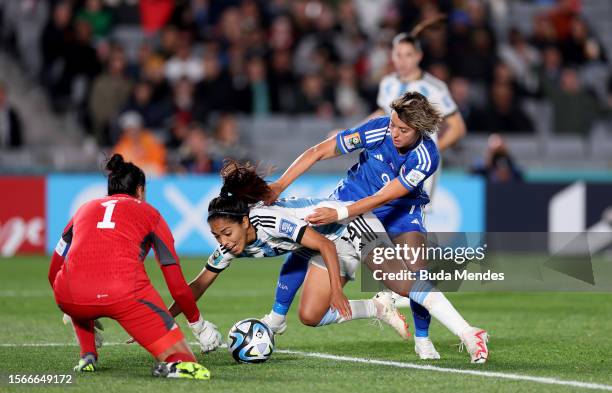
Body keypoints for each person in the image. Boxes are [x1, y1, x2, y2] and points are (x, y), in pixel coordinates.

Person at [263, 92, 488, 363]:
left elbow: (384, 197)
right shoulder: (378, 128)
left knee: (415, 273)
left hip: (399, 214)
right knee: (310, 312)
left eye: (402, 129)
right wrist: (279, 184)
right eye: (393, 124)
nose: (393, 132)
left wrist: (339, 211)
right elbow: (319, 151)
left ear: (419, 130)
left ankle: (427, 339)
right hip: (350, 210)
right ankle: (375, 307)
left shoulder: (427, 157)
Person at [167, 160, 409, 340]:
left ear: (244, 222)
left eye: (226, 233)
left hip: (347, 225)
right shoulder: (230, 245)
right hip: (323, 242)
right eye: (216, 236)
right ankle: (379, 308)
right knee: (311, 316)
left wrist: (336, 289)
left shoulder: (270, 222)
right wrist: (164, 322)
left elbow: (323, 245)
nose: (223, 242)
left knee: (405, 285)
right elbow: (197, 286)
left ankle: (439, 273)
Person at [48, 154, 218, 380]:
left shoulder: (83, 209)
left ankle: (87, 355)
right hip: (124, 294)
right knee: (186, 362)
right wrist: (199, 325)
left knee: (76, 278)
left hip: (69, 296)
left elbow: (53, 272)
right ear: (140, 190)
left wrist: (74, 311)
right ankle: (177, 364)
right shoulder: (150, 214)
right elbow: (176, 286)